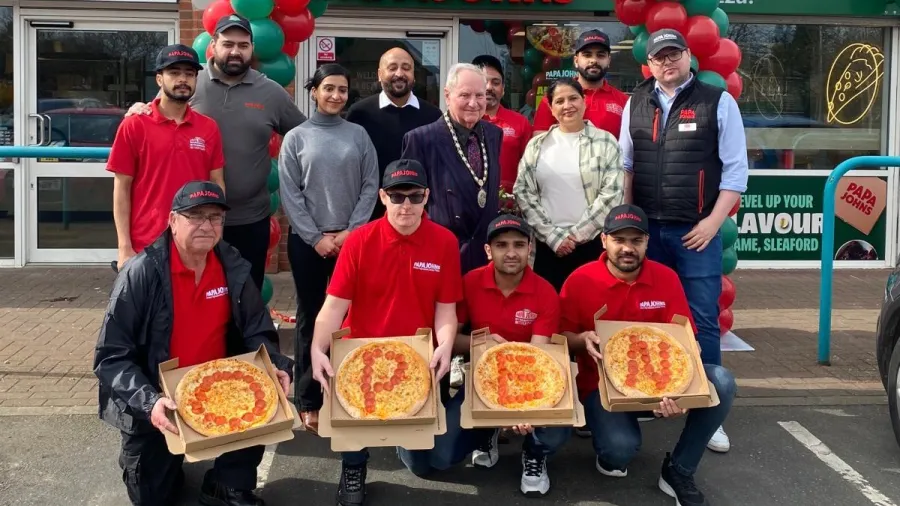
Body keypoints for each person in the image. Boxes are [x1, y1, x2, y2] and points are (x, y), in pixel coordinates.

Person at [93, 181, 295, 506]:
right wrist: (149, 402)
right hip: (158, 394)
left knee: (261, 399)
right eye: (195, 216)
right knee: (154, 496)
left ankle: (226, 484)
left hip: (224, 387)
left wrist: (277, 364)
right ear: (173, 220)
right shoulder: (141, 273)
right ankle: (154, 463)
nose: (206, 225)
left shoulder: (232, 266)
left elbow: (257, 329)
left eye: (215, 218)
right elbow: (111, 357)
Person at [309, 160, 473, 506]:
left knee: (430, 463)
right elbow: (334, 306)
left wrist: (445, 346)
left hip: (419, 359)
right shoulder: (359, 242)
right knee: (351, 429)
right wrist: (316, 348)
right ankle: (354, 466)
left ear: (427, 196)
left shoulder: (444, 242)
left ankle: (405, 441)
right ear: (383, 197)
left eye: (415, 196)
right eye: (397, 196)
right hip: (359, 356)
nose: (406, 206)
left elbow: (446, 310)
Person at [618, 28, 749, 452]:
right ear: (650, 63)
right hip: (648, 232)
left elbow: (735, 173)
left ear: (689, 56)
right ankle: (645, 392)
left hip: (695, 232)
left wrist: (713, 223)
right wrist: (626, 226)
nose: (667, 62)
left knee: (701, 319)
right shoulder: (635, 101)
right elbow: (627, 166)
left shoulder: (717, 101)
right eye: (659, 57)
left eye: (674, 54)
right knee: (644, 314)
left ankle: (708, 410)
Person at [559, 203, 736, 506]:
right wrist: (581, 340)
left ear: (647, 243)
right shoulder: (580, 279)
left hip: (663, 384)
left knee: (721, 380)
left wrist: (682, 394)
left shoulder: (666, 278)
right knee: (619, 454)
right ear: (604, 241)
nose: (628, 248)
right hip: (602, 388)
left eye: (636, 241)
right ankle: (612, 439)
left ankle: (679, 470)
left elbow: (685, 339)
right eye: (619, 240)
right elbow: (559, 338)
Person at [126, 14, 307, 291]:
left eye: (243, 45)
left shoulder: (271, 92)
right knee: (199, 296)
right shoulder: (192, 80)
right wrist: (137, 108)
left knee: (246, 297)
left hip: (251, 219)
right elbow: (160, 111)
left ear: (252, 48)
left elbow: (306, 137)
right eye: (228, 43)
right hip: (195, 220)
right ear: (213, 44)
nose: (235, 51)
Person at [278, 63, 379, 434]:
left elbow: (371, 185)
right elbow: (290, 193)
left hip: (353, 242)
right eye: (329, 88)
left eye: (342, 89)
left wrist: (352, 232)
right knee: (311, 318)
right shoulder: (297, 138)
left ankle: (352, 389)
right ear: (314, 92)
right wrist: (316, 238)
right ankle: (309, 398)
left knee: (352, 317)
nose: (336, 95)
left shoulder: (358, 135)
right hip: (309, 243)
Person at [456, 214, 568, 497]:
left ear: (530, 248)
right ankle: (487, 433)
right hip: (482, 377)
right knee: (441, 455)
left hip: (529, 379)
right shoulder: (469, 282)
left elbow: (539, 358)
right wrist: (478, 342)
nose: (511, 253)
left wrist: (520, 409)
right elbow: (448, 340)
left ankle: (533, 454)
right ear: (487, 250)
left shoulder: (545, 291)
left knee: (556, 432)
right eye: (502, 245)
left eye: (519, 245)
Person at [108, 44, 225, 270]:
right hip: (146, 243)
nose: (183, 79)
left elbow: (217, 184)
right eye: (174, 72)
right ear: (159, 79)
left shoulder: (208, 128)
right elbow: (121, 188)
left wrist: (214, 231)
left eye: (189, 74)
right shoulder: (134, 125)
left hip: (195, 240)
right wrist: (124, 247)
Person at [514, 77, 624, 292]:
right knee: (549, 309)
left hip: (591, 243)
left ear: (584, 101)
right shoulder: (537, 145)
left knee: (590, 307)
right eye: (560, 101)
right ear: (551, 108)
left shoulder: (606, 142)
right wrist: (554, 237)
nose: (567, 106)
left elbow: (612, 194)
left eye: (573, 98)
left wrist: (575, 236)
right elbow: (523, 191)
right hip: (547, 244)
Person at [401, 63, 502, 275]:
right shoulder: (421, 139)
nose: (473, 103)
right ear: (447, 96)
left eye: (480, 95)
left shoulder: (494, 135)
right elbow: (409, 203)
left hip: (485, 255)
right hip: (441, 255)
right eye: (464, 95)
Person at [345, 47, 442, 222]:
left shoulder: (433, 116)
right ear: (380, 74)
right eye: (392, 68)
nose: (400, 73)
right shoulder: (360, 113)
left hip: (419, 214)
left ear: (414, 74)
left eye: (406, 68)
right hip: (369, 215)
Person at [532, 29, 628, 139]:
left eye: (600, 55)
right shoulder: (555, 98)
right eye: (587, 55)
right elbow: (540, 142)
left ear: (609, 61)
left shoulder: (624, 102)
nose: (593, 60)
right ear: (576, 61)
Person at [471, 55, 532, 193]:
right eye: (483, 82)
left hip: (509, 205)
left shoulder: (520, 122)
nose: (489, 87)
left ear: (503, 89)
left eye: (496, 82)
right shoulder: (462, 120)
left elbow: (531, 168)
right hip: (469, 202)